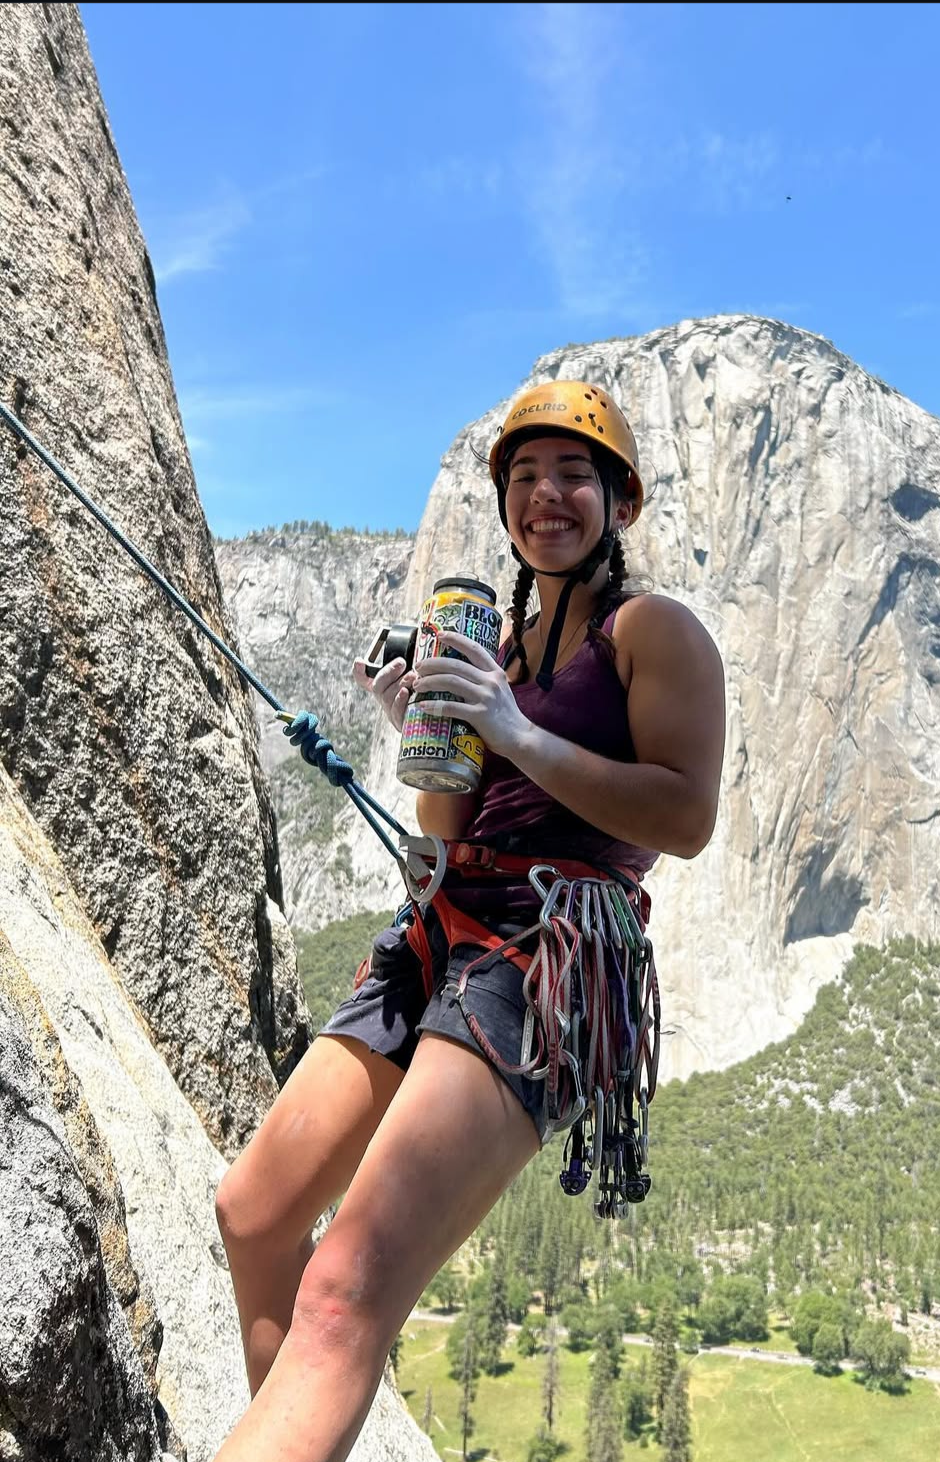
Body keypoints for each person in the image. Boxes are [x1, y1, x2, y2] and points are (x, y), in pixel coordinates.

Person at [211, 379, 726, 1460]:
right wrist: (426, 724)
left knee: (347, 1285)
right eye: (525, 477)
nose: (547, 496)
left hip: (547, 954)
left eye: (574, 475)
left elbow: (685, 814)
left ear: (620, 504)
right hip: (446, 924)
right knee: (254, 1214)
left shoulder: (653, 633)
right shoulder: (498, 648)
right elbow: (444, 829)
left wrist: (516, 730)